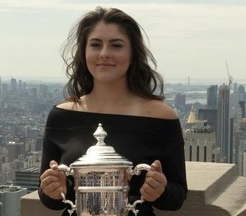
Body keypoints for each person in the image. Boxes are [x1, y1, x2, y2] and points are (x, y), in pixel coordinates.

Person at [38, 6, 187, 216]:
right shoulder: (62, 116)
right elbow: (49, 199)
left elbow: (177, 196)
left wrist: (160, 190)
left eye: (116, 45)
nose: (104, 54)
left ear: (133, 54)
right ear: (84, 52)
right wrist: (53, 190)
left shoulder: (161, 118)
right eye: (95, 45)